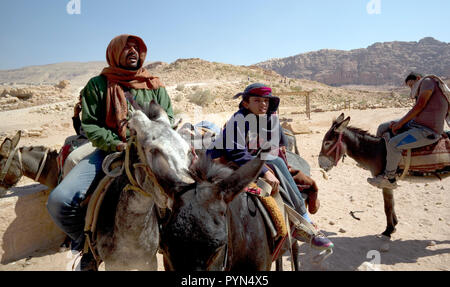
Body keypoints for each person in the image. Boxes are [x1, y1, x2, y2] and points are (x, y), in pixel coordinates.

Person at [46, 34, 175, 269]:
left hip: (151, 152)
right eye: (127, 48)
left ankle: (172, 244)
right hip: (110, 152)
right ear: (114, 53)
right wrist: (117, 144)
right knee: (59, 201)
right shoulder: (97, 85)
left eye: (137, 48)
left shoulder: (154, 84)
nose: (133, 51)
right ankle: (89, 247)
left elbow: (168, 117)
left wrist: (149, 142)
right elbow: (91, 126)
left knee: (184, 191)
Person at [206, 83, 333, 251]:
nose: (263, 104)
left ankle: (302, 220)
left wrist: (273, 122)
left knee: (280, 163)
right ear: (246, 103)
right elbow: (237, 152)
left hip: (249, 159)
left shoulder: (267, 118)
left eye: (266, 101)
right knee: (277, 164)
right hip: (224, 162)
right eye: (257, 100)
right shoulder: (238, 120)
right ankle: (302, 221)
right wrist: (265, 171)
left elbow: (280, 144)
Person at [368, 72, 450, 189]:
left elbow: (419, 106)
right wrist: (399, 123)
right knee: (382, 127)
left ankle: (389, 178)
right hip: (415, 124)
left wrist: (400, 124)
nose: (412, 89)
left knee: (393, 144)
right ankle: (378, 160)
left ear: (418, 78)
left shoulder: (427, 82)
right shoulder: (423, 86)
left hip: (427, 130)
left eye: (412, 85)